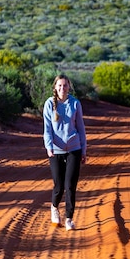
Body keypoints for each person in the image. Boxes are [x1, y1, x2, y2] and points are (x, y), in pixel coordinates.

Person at [43, 74, 87, 231]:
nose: (63, 88)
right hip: (55, 150)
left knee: (70, 186)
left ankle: (69, 219)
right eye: (60, 85)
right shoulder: (49, 104)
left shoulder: (75, 103)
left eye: (65, 85)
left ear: (69, 86)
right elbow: (47, 129)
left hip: (74, 148)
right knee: (59, 186)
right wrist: (49, 147)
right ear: (55, 87)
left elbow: (81, 128)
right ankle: (54, 207)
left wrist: (83, 149)